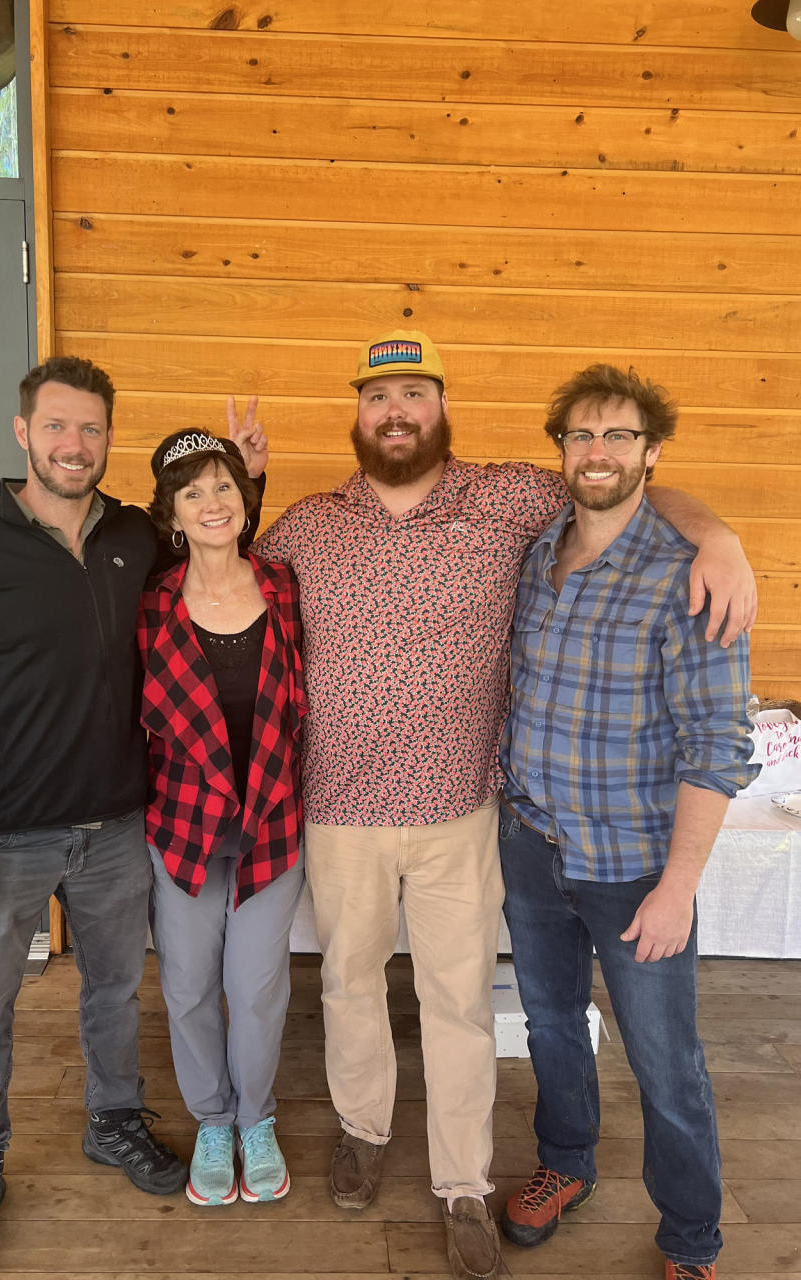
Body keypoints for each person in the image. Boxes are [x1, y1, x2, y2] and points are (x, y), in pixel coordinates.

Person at [253, 330, 757, 1280]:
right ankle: (361, 1129)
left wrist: (719, 536)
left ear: (443, 407)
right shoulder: (306, 527)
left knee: (458, 1005)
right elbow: (224, 580)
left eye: (415, 395)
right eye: (378, 398)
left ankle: (462, 1182)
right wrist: (240, 496)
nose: (396, 413)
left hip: (465, 812)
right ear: (357, 414)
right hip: (342, 808)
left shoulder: (512, 499)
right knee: (350, 985)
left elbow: (625, 490)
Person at [0, 358, 266, 1279]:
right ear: (23, 433)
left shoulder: (134, 536)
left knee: (111, 992)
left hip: (118, 826)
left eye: (91, 429)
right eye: (57, 427)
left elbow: (215, 543)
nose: (74, 444)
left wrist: (250, 480)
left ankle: (113, 1121)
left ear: (106, 438)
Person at [498, 365, 758, 1280]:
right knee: (552, 1025)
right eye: (580, 435)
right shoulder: (537, 549)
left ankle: (691, 1238)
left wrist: (680, 888)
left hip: (633, 867)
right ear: (560, 449)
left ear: (653, 451)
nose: (597, 452)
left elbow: (720, 743)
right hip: (530, 847)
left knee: (666, 1062)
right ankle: (566, 1162)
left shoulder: (690, 575)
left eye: (618, 436)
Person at [139, 429, 306, 1208]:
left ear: (246, 502)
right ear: (172, 512)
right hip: (183, 829)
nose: (212, 503)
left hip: (271, 826)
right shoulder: (152, 602)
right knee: (189, 989)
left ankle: (255, 1118)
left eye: (225, 488)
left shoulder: (285, 587)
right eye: (193, 491)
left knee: (258, 986)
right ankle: (212, 1121)